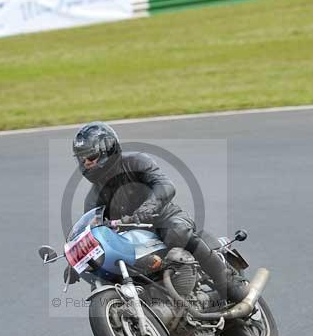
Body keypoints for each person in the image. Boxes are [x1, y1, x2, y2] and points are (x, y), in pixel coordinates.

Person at [73, 122, 249, 302]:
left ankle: (227, 282)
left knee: (176, 232)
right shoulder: (93, 198)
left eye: (91, 157)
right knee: (108, 270)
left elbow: (165, 185)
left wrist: (149, 207)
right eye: (81, 159)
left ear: (108, 150)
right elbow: (92, 231)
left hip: (164, 218)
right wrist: (79, 260)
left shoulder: (136, 162)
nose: (86, 163)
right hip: (132, 242)